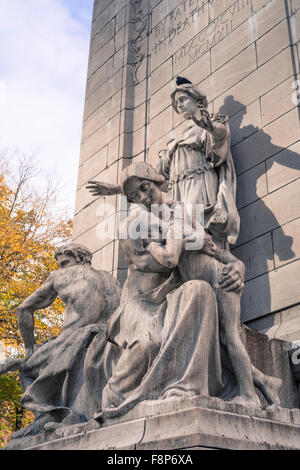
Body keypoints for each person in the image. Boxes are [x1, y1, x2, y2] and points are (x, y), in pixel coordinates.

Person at [87, 162, 282, 411]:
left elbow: (208, 248)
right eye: (134, 197)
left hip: (204, 282)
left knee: (225, 332)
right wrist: (119, 190)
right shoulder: (137, 222)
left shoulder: (178, 214)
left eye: (145, 189)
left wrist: (238, 266)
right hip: (148, 298)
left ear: (158, 184)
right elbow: (157, 259)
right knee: (205, 335)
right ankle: (262, 382)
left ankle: (246, 392)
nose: (142, 198)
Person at [7, 243, 121, 439]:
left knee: (26, 369)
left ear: (79, 258)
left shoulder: (60, 276)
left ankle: (46, 416)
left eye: (64, 263)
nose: (61, 268)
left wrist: (29, 349)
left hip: (74, 338)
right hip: (108, 339)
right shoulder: (112, 280)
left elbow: (23, 309)